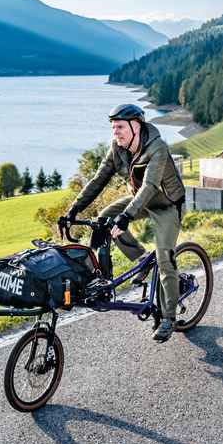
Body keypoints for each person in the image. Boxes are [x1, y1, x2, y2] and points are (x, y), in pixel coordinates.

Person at [62, 104, 187, 342]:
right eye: (113, 128)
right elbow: (98, 179)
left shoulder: (157, 148)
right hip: (140, 200)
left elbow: (150, 186)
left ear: (136, 126)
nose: (115, 132)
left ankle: (169, 317)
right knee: (104, 219)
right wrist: (74, 209)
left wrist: (127, 216)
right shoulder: (117, 148)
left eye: (119, 127)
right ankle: (140, 261)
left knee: (165, 257)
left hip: (167, 205)